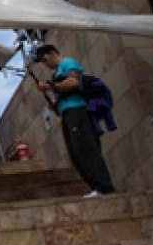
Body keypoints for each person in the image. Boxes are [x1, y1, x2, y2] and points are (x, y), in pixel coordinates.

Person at [32, 43, 116, 197]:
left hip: (77, 111)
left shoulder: (67, 63)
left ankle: (103, 186)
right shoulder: (57, 72)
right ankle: (95, 186)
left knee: (86, 149)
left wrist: (50, 87)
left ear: (52, 53)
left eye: (45, 60)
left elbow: (73, 82)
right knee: (76, 152)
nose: (45, 64)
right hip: (67, 112)